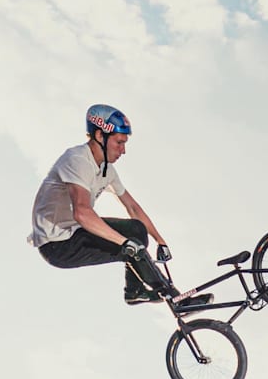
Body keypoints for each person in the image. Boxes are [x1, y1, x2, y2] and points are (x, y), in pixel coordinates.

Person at [29, 104, 209, 307]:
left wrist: (160, 240)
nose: (123, 151)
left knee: (136, 230)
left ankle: (134, 292)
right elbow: (81, 212)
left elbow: (132, 208)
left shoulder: (107, 170)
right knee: (131, 245)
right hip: (57, 245)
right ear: (99, 135)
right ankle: (175, 299)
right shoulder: (76, 160)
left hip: (75, 233)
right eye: (119, 143)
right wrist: (124, 243)